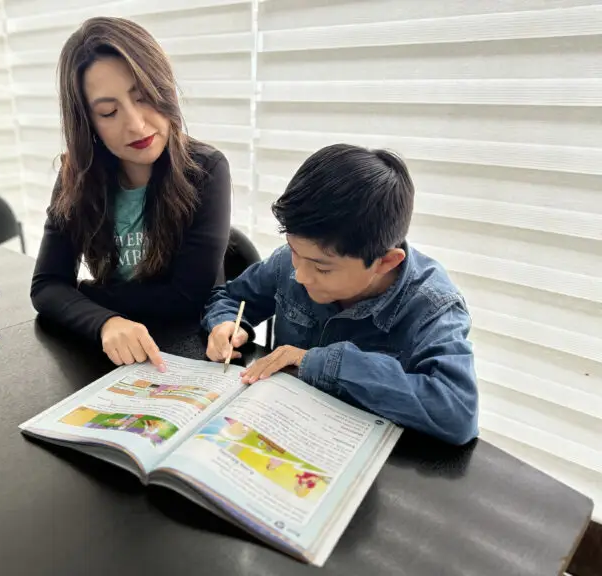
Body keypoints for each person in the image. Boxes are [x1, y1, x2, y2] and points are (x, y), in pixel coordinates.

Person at [202, 144, 478, 445]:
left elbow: (457, 412)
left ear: (386, 262)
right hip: (274, 428)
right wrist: (225, 323)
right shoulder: (293, 261)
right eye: (295, 251)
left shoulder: (432, 305)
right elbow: (229, 298)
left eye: (323, 269)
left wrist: (320, 363)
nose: (301, 275)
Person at [31, 17, 232, 371]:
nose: (137, 124)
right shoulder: (76, 177)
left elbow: (186, 298)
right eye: (108, 112)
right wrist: (105, 321)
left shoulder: (207, 170)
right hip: (112, 356)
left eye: (144, 98)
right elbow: (47, 285)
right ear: (87, 122)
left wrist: (86, 294)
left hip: (186, 353)